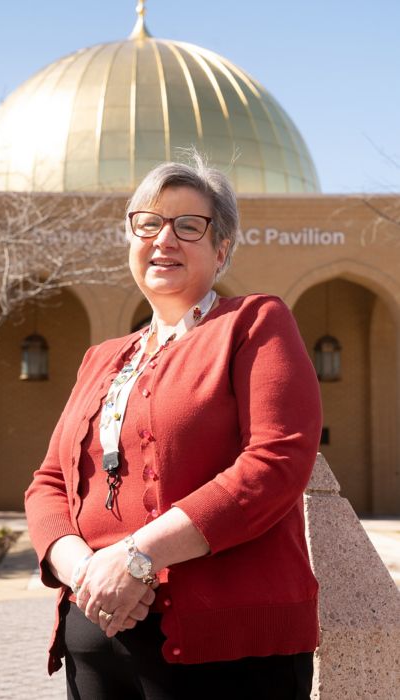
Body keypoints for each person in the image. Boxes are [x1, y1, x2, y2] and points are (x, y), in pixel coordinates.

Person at [25, 153, 322, 699]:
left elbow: (275, 464)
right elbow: (48, 484)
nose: (165, 239)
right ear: (131, 240)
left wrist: (137, 558)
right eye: (149, 224)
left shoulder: (254, 323)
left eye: (189, 226)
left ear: (221, 249)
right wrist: (88, 572)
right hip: (97, 634)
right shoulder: (102, 358)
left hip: (224, 651)